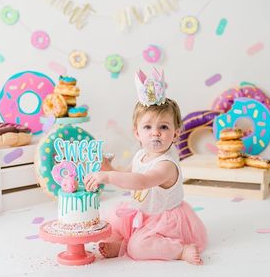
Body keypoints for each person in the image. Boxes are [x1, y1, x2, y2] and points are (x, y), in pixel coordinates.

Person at [84, 68, 207, 265]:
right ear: (137, 133)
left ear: (176, 134)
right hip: (142, 212)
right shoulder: (141, 154)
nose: (155, 133)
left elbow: (142, 181)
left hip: (165, 221)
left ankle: (180, 249)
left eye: (163, 127)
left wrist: (107, 178)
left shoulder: (166, 164)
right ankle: (121, 243)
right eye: (148, 127)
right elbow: (130, 175)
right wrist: (111, 169)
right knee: (115, 222)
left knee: (138, 247)